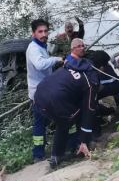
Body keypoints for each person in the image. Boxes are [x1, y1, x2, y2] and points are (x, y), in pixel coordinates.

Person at [33, 56, 98, 169]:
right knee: (73, 118)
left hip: (38, 95)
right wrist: (84, 138)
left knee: (64, 120)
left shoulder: (67, 67)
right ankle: (80, 145)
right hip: (55, 99)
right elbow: (89, 109)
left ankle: (57, 155)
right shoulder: (89, 83)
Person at [26, 19, 63, 161]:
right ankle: (40, 154)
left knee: (40, 122)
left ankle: (39, 153)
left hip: (44, 90)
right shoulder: (33, 48)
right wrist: (56, 59)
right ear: (33, 33)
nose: (43, 34)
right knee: (59, 116)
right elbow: (40, 64)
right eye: (40, 31)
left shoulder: (42, 46)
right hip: (39, 93)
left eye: (46, 31)